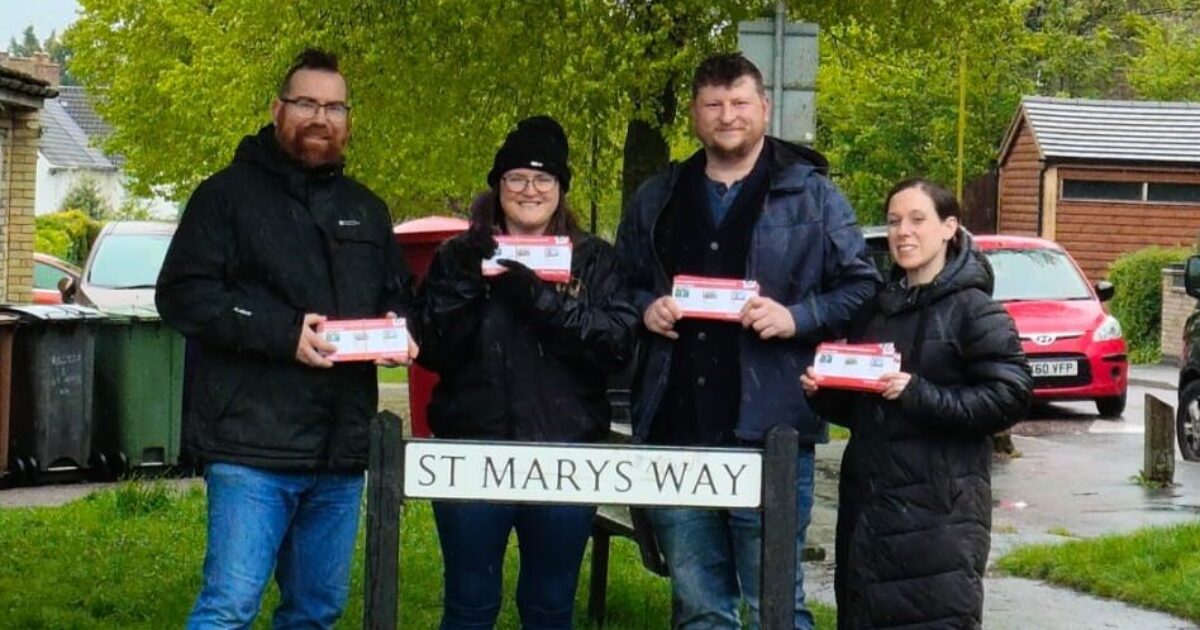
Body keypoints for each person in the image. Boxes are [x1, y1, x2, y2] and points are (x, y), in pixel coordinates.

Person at [615, 52, 880, 629]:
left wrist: (797, 316)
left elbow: (862, 285)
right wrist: (644, 308)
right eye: (713, 104)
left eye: (739, 103)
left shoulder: (811, 196)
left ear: (764, 108)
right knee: (698, 608)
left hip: (772, 431)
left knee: (775, 608)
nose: (727, 115)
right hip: (675, 432)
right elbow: (619, 284)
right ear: (694, 114)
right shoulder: (658, 196)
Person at [156, 48, 417, 629]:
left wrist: (402, 331)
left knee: (316, 612)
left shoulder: (367, 210)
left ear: (348, 119)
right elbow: (181, 294)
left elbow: (399, 296)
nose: (320, 117)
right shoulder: (225, 197)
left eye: (334, 107)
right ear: (278, 109)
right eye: (306, 103)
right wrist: (279, 332)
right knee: (230, 607)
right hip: (252, 449)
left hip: (340, 452)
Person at [417, 115, 639, 629]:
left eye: (544, 179)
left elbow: (616, 346)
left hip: (563, 456)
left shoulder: (595, 261)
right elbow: (430, 347)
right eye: (517, 178)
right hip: (472, 453)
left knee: (548, 604)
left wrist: (541, 299)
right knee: (470, 604)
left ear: (561, 190)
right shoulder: (458, 255)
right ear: (498, 186)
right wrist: (466, 287)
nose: (530, 190)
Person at [801, 179, 1033, 629]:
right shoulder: (875, 310)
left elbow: (1011, 398)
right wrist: (826, 392)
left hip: (939, 520)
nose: (902, 232)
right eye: (893, 221)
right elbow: (865, 409)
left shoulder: (976, 312)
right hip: (868, 515)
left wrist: (918, 393)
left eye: (916, 219)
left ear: (950, 228)